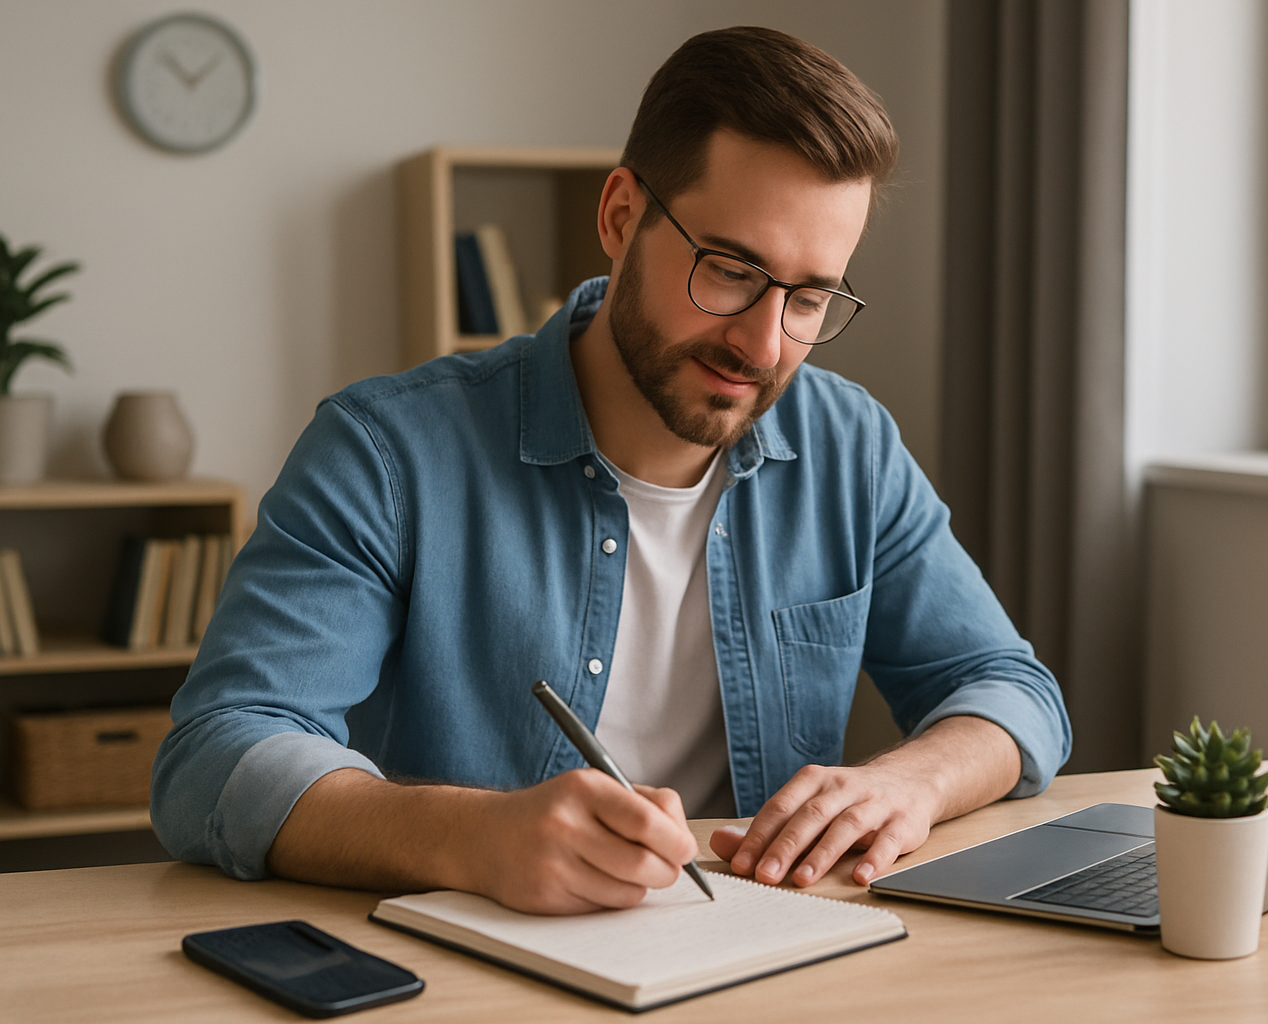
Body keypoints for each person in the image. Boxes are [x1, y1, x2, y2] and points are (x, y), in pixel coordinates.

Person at [151, 25, 1071, 916]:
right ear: (620, 216)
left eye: (810, 296)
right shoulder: (386, 453)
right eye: (731, 269)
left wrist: (912, 780)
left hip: (754, 953)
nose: (763, 342)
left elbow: (1011, 692)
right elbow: (217, 755)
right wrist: (473, 839)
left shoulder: (850, 446)